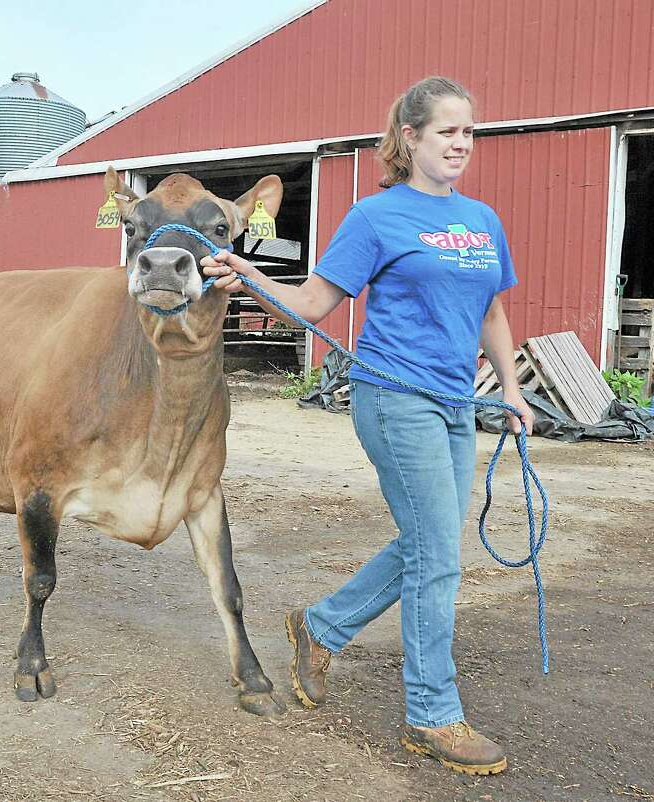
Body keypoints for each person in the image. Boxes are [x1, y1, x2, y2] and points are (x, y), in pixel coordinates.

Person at [202, 76, 534, 776]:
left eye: (469, 133)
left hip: (455, 406)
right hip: (394, 398)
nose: (461, 144)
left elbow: (492, 312)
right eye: (447, 131)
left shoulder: (482, 221)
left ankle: (319, 626)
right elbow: (314, 303)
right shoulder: (376, 217)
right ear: (410, 137)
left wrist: (509, 387)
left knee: (428, 543)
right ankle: (432, 714)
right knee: (438, 555)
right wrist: (250, 277)